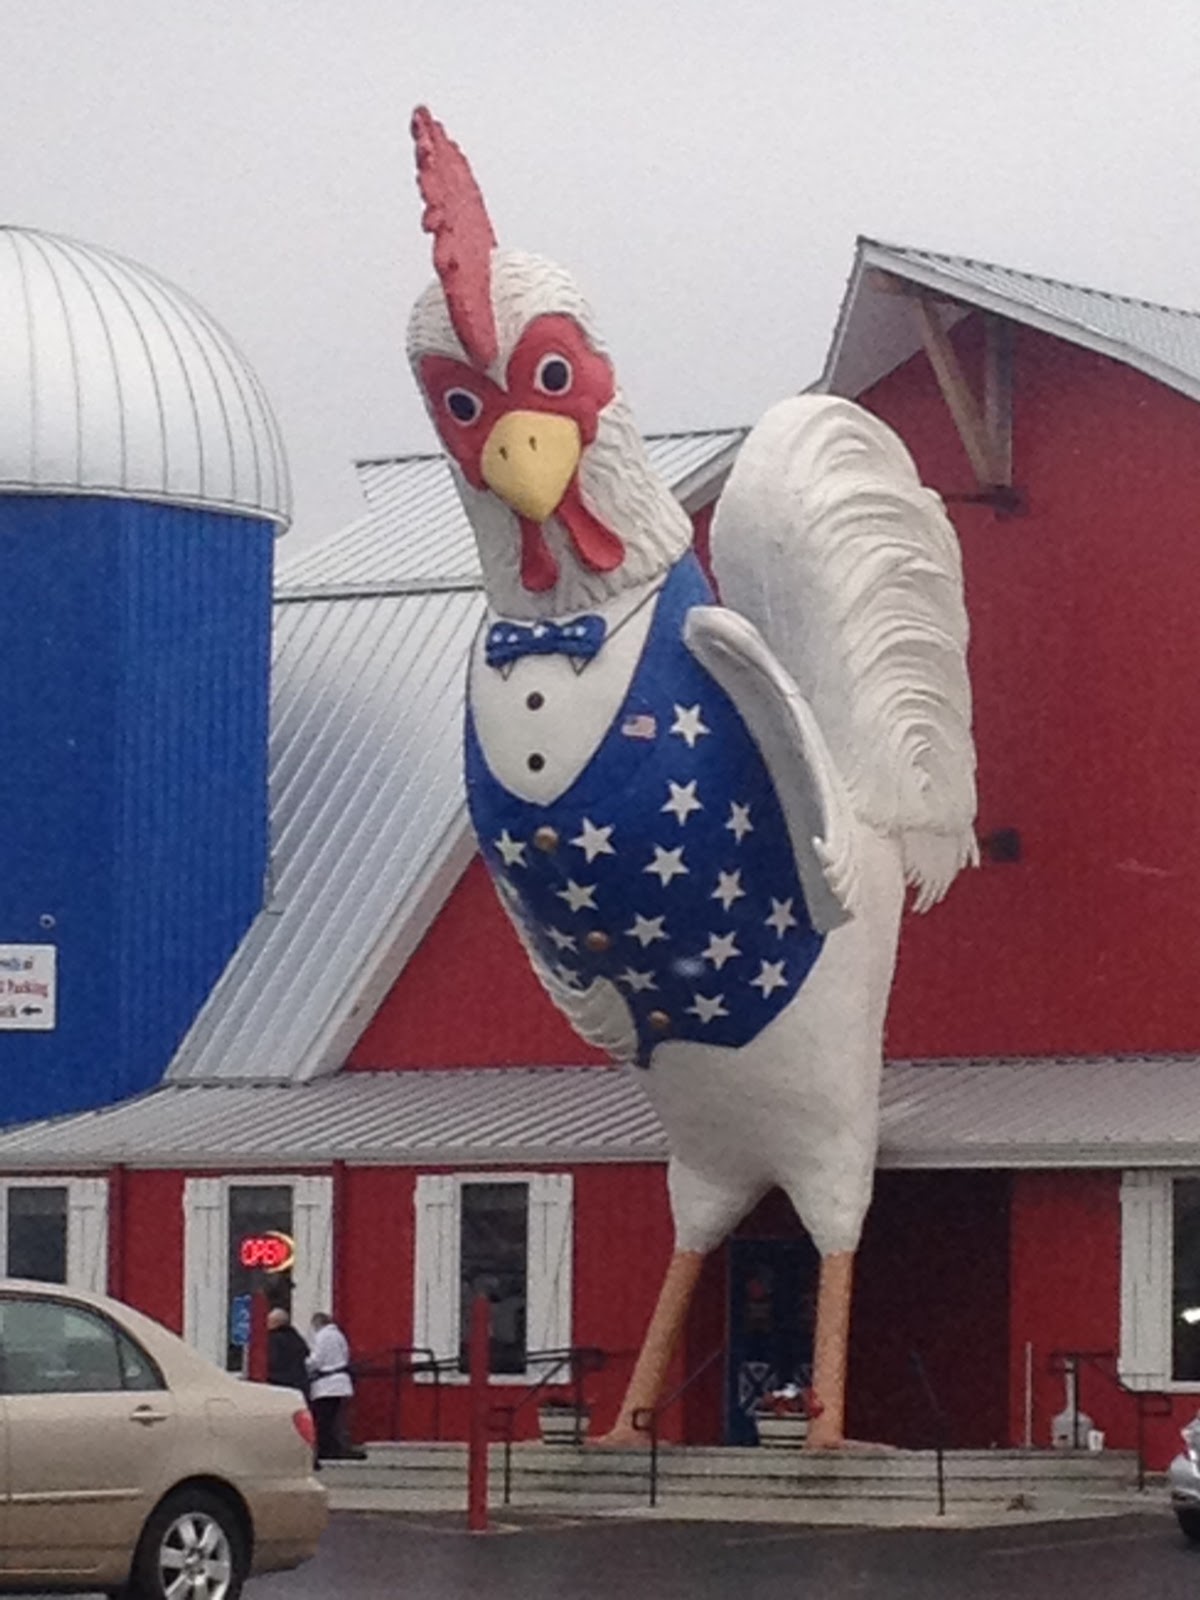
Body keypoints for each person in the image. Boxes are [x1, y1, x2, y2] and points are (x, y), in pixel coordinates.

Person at [306, 1311, 366, 1461]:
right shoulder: (339, 1335)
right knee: (334, 1418)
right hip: (340, 1382)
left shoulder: (322, 1336)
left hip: (326, 1385)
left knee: (323, 1419)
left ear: (316, 1324)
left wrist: (304, 1365)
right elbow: (345, 1355)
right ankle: (335, 1446)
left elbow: (317, 1360)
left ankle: (325, 1448)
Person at [266, 1306, 310, 1399]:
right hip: (299, 1384)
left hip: (279, 1384)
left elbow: (272, 1361)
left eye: (269, 1321)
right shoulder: (296, 1337)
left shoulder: (273, 1339)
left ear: (275, 1323)